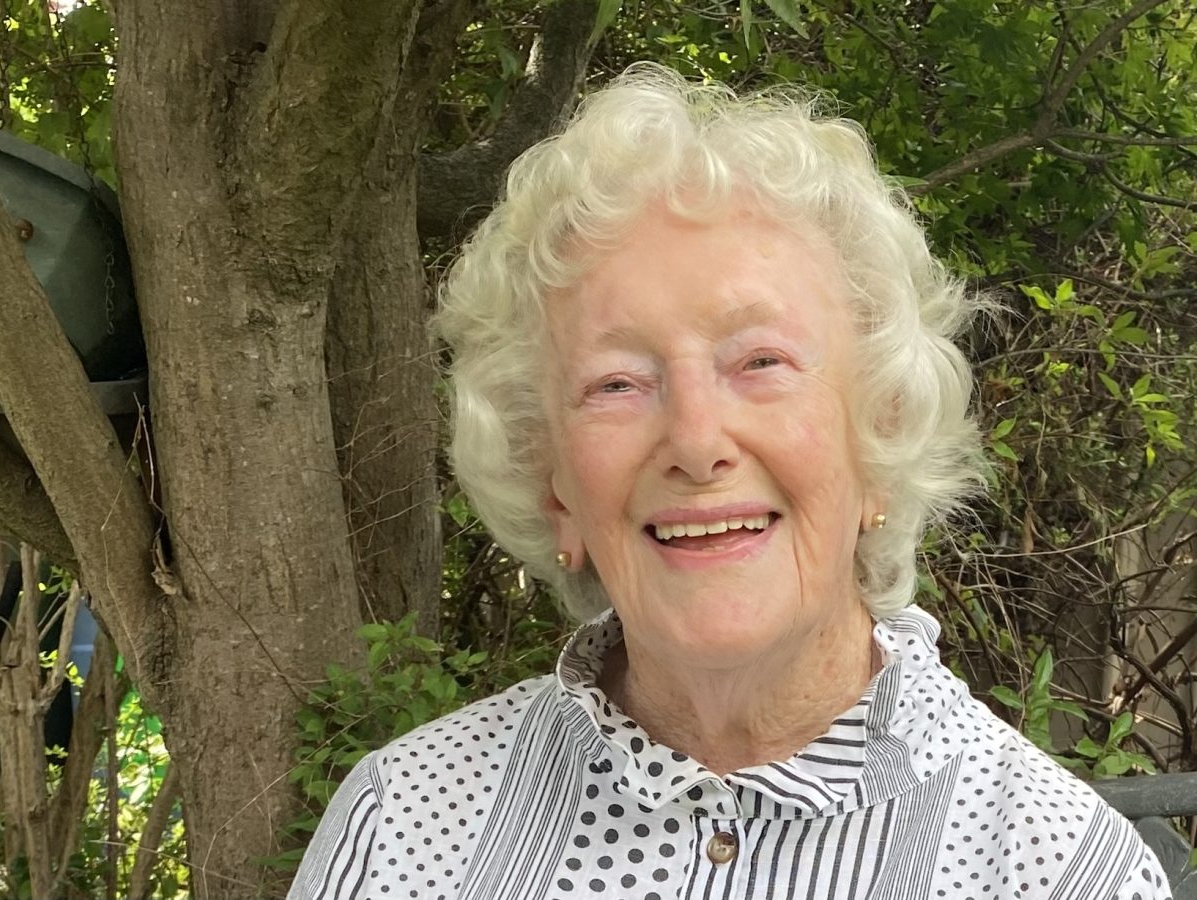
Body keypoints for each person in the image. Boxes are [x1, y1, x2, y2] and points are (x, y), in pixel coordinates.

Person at [289, 64, 1169, 900]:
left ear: (880, 438)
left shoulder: (1057, 867)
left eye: (759, 360)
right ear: (551, 481)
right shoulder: (404, 825)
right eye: (617, 384)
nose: (697, 441)